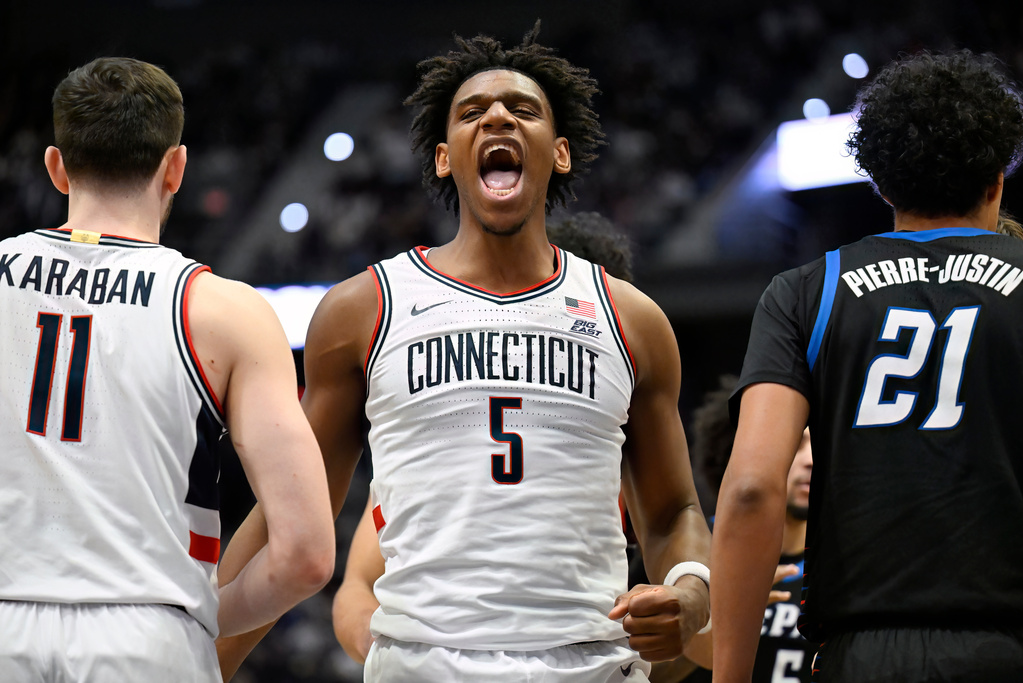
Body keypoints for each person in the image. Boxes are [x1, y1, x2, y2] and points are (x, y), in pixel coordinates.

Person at [218, 24, 712, 682]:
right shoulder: (362, 308)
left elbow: (675, 510)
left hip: (590, 664)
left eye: (523, 110)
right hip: (421, 666)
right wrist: (197, 658)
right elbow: (288, 515)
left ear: (559, 153)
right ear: (446, 157)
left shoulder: (633, 318)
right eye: (473, 112)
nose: (499, 116)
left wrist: (692, 592)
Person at [0, 57, 336, 682]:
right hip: (144, 629)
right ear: (176, 168)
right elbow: (306, 555)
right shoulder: (223, 310)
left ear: (56, 165)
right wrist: (199, 617)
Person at [711, 49, 1023, 683]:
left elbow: (748, 490)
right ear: (997, 179)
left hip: (862, 656)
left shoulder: (809, 290)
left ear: (879, 183)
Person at [331, 210, 639, 666]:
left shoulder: (634, 469)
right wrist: (401, 657)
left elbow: (690, 646)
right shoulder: (429, 457)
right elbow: (355, 589)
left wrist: (699, 608)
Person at [633, 376, 814, 683]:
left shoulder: (845, 561)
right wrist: (708, 620)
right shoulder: (684, 553)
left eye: (816, 447)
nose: (810, 461)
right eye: (794, 447)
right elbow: (638, 673)